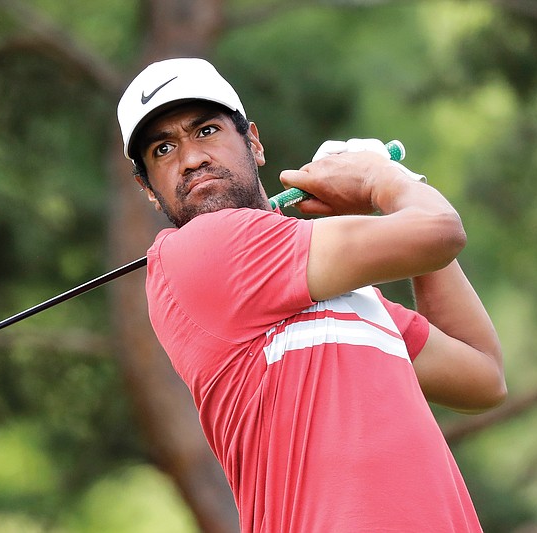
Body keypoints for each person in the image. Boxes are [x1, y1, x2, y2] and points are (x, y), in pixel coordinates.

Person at [116, 57, 506, 532]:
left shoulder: (352, 298)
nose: (191, 158)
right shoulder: (201, 250)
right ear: (148, 190)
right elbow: (440, 231)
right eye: (162, 150)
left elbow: (482, 375)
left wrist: (398, 195)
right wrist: (386, 182)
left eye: (206, 131)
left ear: (253, 142)